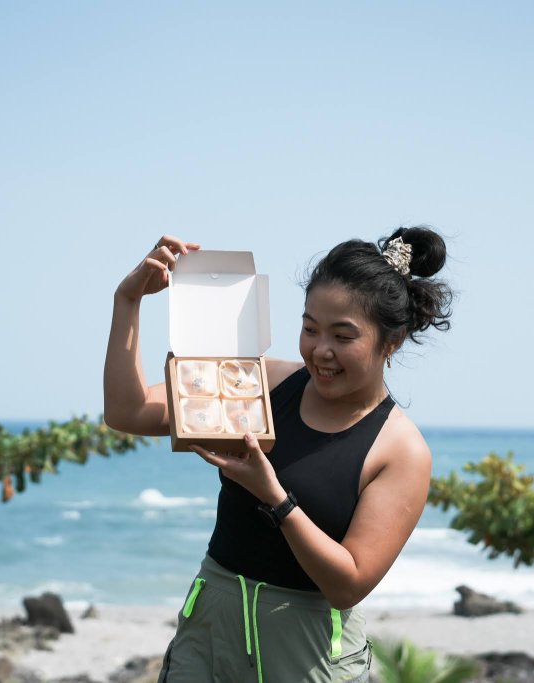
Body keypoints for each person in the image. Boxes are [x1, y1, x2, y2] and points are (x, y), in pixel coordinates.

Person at [103, 229, 453, 683]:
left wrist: (275, 497)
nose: (320, 350)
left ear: (392, 341)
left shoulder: (400, 450)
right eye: (310, 328)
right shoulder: (261, 384)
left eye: (343, 336)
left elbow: (348, 584)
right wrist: (127, 302)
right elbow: (127, 411)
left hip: (308, 655)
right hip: (208, 636)